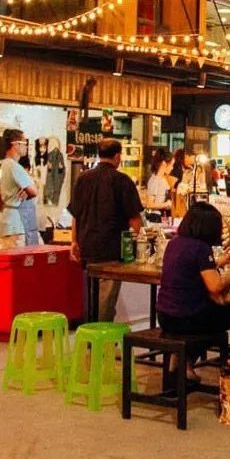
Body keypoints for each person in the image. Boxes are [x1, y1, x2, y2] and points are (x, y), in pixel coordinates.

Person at [157, 203, 230, 369]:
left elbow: (192, 269)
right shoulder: (201, 248)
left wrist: (217, 263)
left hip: (165, 317)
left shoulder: (174, 243)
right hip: (188, 318)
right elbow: (215, 287)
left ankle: (185, 360)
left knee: (215, 313)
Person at [69, 138, 144, 322]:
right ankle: (100, 344)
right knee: (105, 301)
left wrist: (74, 241)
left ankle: (91, 340)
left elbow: (76, 215)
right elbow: (135, 219)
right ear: (118, 156)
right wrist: (135, 247)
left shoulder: (83, 178)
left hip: (87, 247)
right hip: (111, 249)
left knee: (91, 298)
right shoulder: (122, 181)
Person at [0, 130, 38, 248]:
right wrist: (28, 191)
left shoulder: (4, 164)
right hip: (16, 224)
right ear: (15, 144)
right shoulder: (14, 166)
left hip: (8, 222)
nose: (26, 147)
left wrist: (26, 191)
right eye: (24, 143)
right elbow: (33, 191)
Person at [146, 147, 174, 212]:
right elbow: (149, 204)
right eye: (171, 165)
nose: (172, 168)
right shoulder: (155, 180)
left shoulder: (163, 179)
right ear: (164, 163)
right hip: (156, 218)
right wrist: (166, 204)